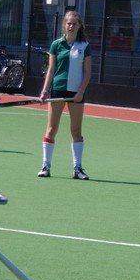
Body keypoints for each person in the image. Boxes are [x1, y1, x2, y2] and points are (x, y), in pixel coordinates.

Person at [38, 10, 92, 180]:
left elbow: (87, 72)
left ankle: (77, 169)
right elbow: (51, 70)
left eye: (74, 23)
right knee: (51, 129)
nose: (71, 26)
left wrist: (80, 91)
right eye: (69, 23)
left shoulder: (85, 46)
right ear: (64, 25)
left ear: (79, 26)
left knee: (76, 131)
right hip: (58, 90)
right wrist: (45, 91)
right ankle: (46, 166)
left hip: (76, 92)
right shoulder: (56, 45)